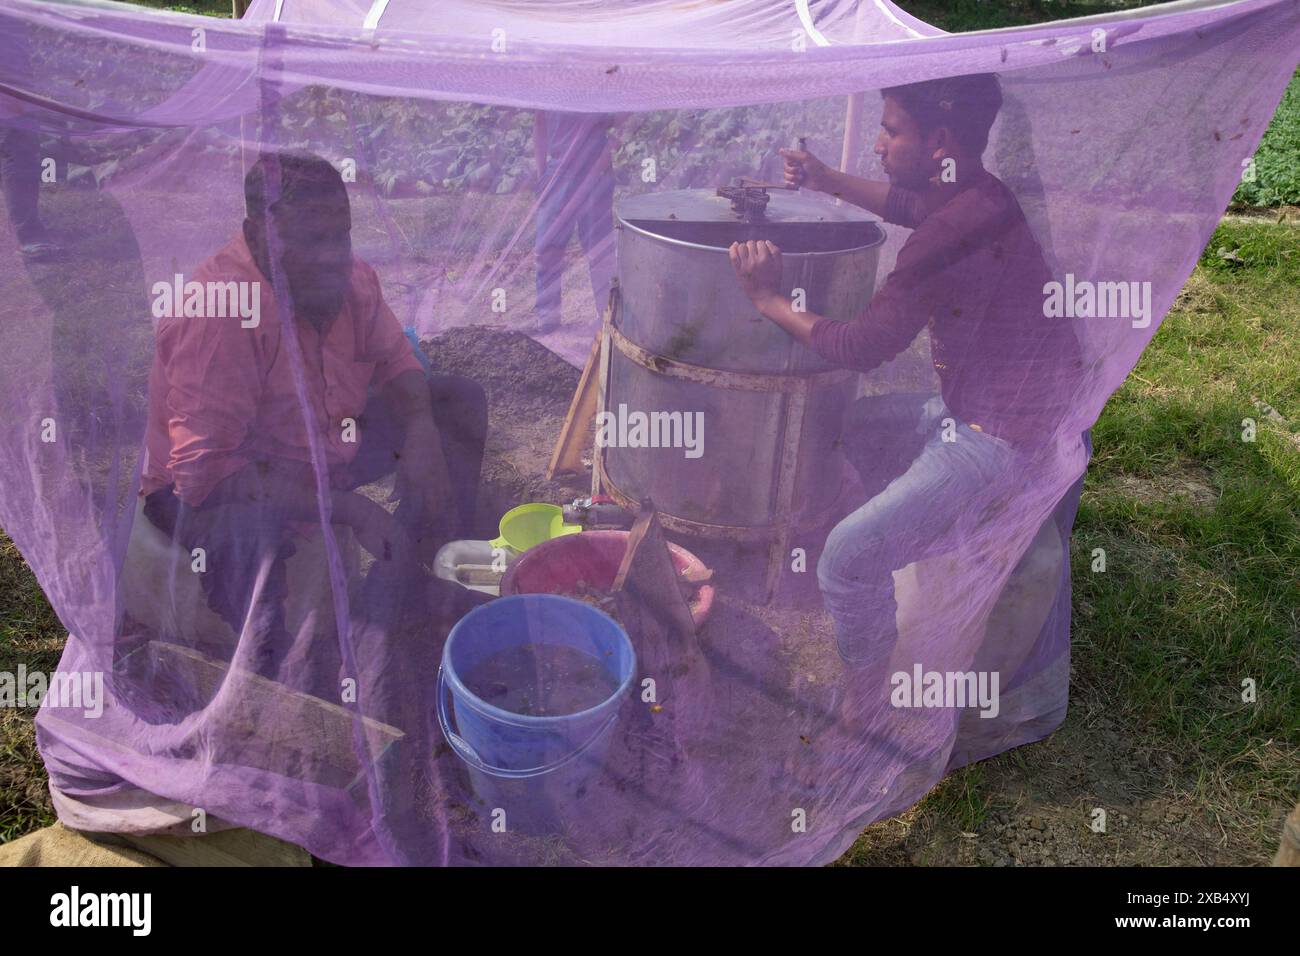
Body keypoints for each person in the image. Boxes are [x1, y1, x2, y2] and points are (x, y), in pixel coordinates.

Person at [728, 74, 1083, 667]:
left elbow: (861, 345)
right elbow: (909, 206)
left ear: (939, 140)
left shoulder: (947, 232)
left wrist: (768, 300)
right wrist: (826, 180)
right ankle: (916, 539)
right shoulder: (979, 194)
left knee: (842, 558)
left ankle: (869, 700)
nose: (877, 145)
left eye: (890, 132)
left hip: (1001, 437)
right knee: (851, 426)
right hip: (1016, 409)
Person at [139, 152, 487, 680]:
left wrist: (419, 430)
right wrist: (351, 510)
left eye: (340, 236)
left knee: (457, 404)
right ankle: (276, 674)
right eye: (310, 241)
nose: (332, 258)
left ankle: (418, 580)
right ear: (258, 235)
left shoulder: (350, 280)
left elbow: (397, 359)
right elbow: (204, 473)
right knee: (244, 539)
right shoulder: (221, 314)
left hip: (323, 445)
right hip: (215, 486)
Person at [532, 111, 618, 334]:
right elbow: (539, 121)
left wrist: (608, 152)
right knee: (546, 247)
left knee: (598, 247)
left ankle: (608, 315)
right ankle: (547, 317)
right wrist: (542, 173)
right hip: (558, 170)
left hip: (596, 168)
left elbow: (625, 117)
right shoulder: (549, 84)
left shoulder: (600, 81)